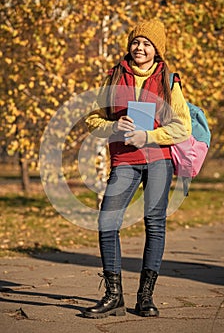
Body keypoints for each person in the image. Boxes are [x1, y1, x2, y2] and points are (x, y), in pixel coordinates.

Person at [83, 19, 191, 319]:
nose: (140, 48)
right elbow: (92, 119)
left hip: (158, 160)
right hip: (124, 160)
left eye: (147, 43)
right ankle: (113, 296)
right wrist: (113, 125)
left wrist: (150, 136)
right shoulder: (114, 76)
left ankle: (145, 297)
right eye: (136, 42)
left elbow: (183, 127)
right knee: (107, 222)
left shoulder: (169, 80)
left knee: (154, 224)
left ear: (158, 49)